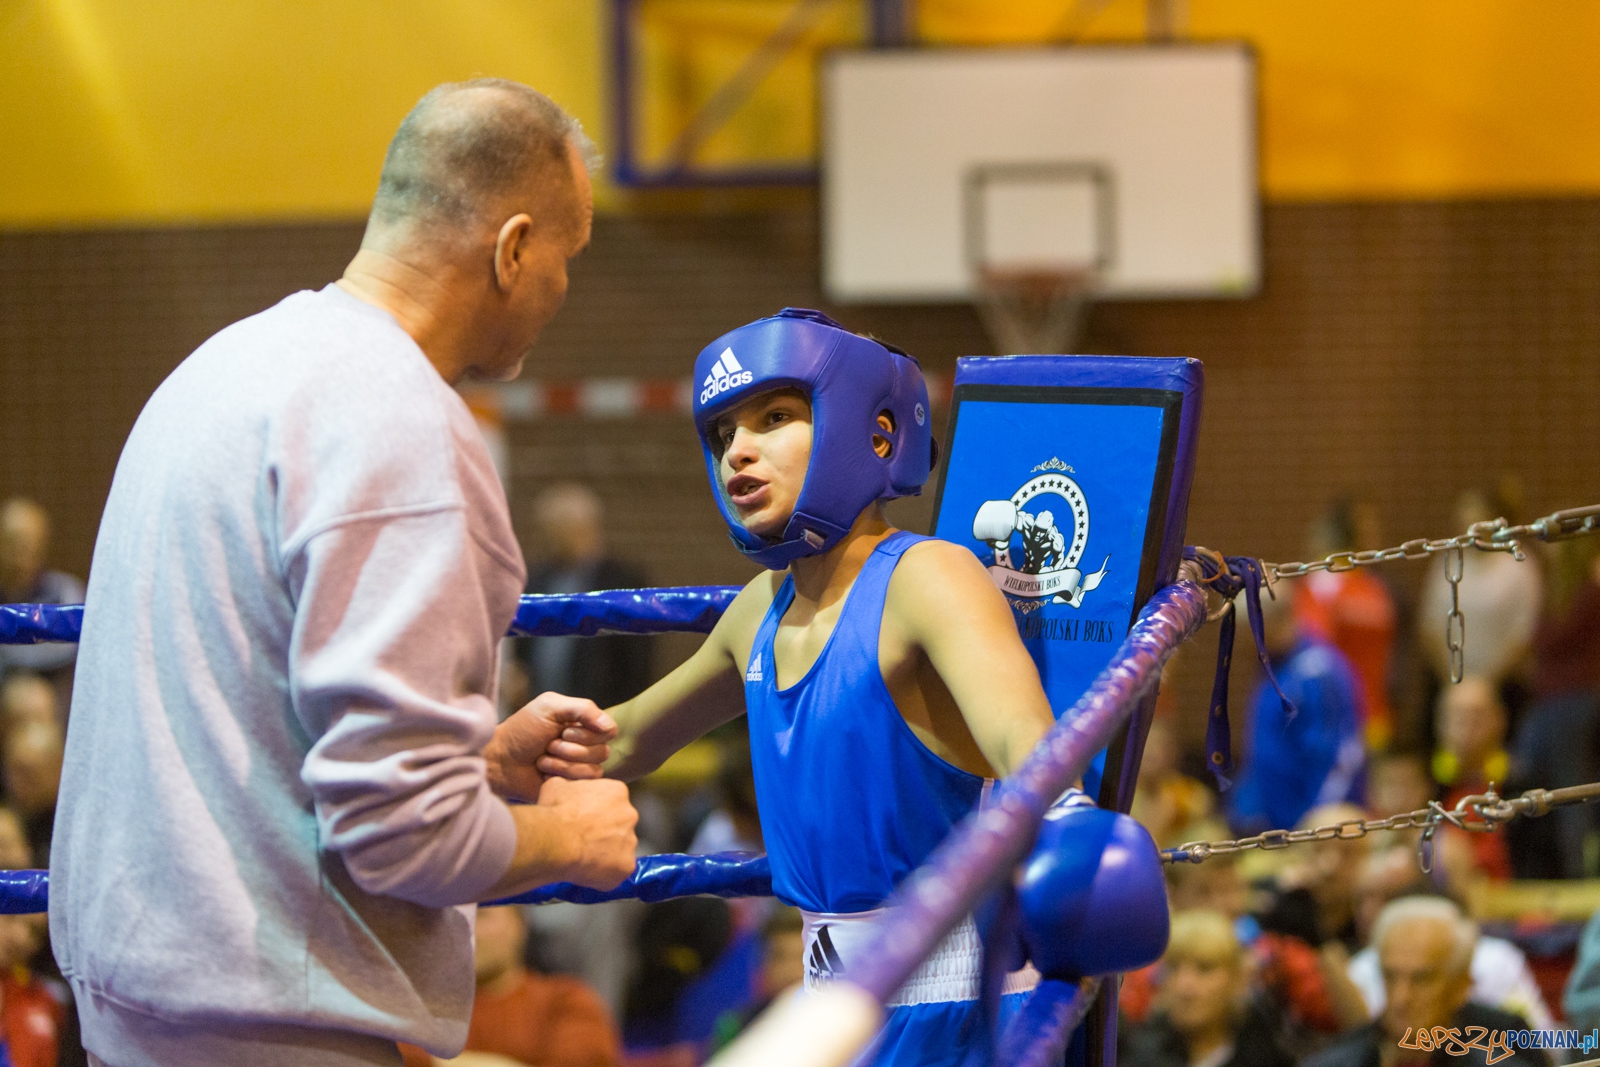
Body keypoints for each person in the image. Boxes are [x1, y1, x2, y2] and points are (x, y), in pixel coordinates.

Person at [50, 79, 640, 1067]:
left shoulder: (222, 369)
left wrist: (476, 765)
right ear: (512, 249)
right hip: (268, 1017)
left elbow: (244, 710)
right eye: (566, 260)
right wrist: (565, 836)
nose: (563, 291)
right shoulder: (397, 420)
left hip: (138, 1003)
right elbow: (404, 834)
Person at [595, 309, 1061, 1067]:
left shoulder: (927, 576)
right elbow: (629, 738)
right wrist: (472, 760)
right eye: (722, 434)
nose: (738, 451)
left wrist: (1071, 817)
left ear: (874, 433)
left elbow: (1026, 741)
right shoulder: (759, 609)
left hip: (956, 1004)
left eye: (774, 417)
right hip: (831, 1009)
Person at [1306, 897, 1548, 1067]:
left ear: (1461, 986)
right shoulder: (1338, 1058)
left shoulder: (1508, 1043)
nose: (1401, 998)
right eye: (1390, 977)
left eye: (1421, 980)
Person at [399, 905, 620, 1067]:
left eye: (481, 915)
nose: (464, 930)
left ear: (519, 924)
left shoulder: (566, 1000)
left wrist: (435, 1063)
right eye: (451, 919)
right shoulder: (413, 1008)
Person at [1229, 588, 1366, 836]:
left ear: (1273, 621)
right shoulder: (1272, 667)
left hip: (1310, 831)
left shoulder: (1318, 672)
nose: (1243, 642)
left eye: (1248, 631)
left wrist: (1318, 823)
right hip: (1270, 827)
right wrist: (1245, 810)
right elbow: (1262, 752)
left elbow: (1339, 758)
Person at [520, 484, 653, 712]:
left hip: (602, 706)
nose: (551, 539)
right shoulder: (539, 578)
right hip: (540, 704)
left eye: (557, 530)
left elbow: (636, 659)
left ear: (583, 528)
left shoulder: (621, 579)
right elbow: (524, 639)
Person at [1121, 910, 1294, 1067]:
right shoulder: (1134, 1055)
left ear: (1236, 978)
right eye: (1173, 968)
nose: (1184, 985)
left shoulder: (1269, 1055)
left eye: (1204, 968)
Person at [1294, 500, 1399, 749]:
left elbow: (1312, 654)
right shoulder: (1377, 590)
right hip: (1372, 717)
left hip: (1337, 721)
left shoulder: (1323, 585)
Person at [0, 499, 83, 690]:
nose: (20, 552)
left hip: (53, 696)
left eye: (28, 543)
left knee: (33, 698)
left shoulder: (65, 591)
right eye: (13, 541)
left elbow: (64, 652)